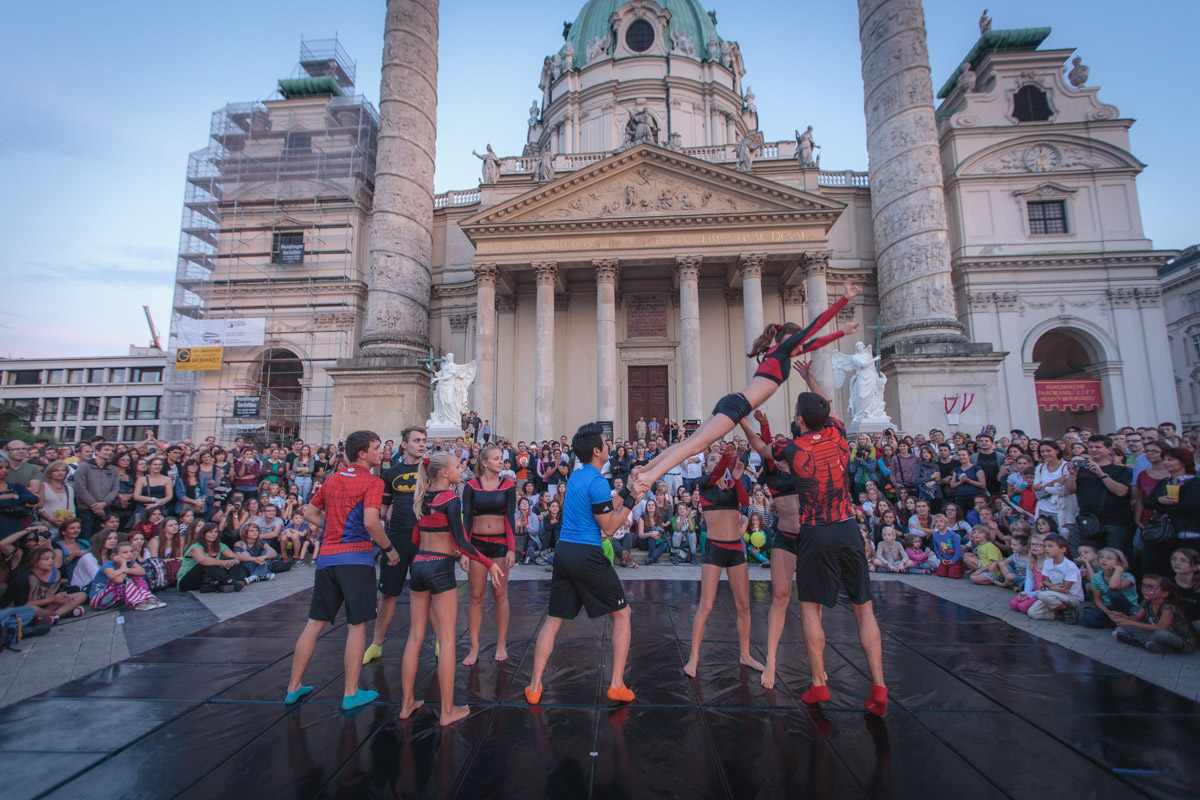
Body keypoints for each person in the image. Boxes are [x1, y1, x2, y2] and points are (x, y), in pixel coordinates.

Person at [631, 283, 862, 495]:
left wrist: (844, 332)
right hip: (739, 405)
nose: (801, 346)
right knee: (695, 446)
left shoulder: (777, 354)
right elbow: (815, 327)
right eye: (797, 341)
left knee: (688, 444)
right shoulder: (783, 351)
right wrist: (844, 299)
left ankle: (643, 470)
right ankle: (649, 477)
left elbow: (815, 342)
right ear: (788, 338)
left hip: (732, 400)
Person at [772, 361, 888, 715]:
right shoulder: (838, 434)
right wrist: (810, 378)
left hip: (815, 531)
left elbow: (767, 452)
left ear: (800, 420)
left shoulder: (792, 449)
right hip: (847, 526)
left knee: (810, 607)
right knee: (863, 607)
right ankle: (879, 687)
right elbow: (830, 407)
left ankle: (819, 683)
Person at [525, 423, 644, 706]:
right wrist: (632, 500)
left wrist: (626, 490)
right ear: (596, 450)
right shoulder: (598, 481)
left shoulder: (579, 475)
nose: (609, 445)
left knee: (553, 620)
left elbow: (601, 504)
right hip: (587, 554)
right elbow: (611, 526)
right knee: (622, 614)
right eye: (605, 442)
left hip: (563, 553)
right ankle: (616, 684)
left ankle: (534, 687)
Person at [286, 430, 400, 711]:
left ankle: (293, 687)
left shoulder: (332, 479)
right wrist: (389, 549)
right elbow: (372, 522)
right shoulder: (371, 482)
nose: (381, 452)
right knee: (357, 625)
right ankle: (351, 693)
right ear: (362, 453)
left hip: (327, 560)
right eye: (376, 448)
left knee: (314, 623)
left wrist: (334, 528)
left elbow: (310, 513)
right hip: (356, 560)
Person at [398, 452, 502, 725]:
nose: (461, 469)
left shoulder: (421, 498)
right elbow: (461, 542)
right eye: (457, 467)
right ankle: (447, 711)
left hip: (419, 565)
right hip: (440, 568)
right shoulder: (451, 499)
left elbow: (416, 536)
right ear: (443, 473)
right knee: (446, 640)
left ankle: (407, 703)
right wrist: (488, 563)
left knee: (414, 637)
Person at [682, 444, 763, 677]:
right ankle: (694, 657)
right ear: (706, 465)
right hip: (715, 549)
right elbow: (717, 473)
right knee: (706, 605)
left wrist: (737, 478)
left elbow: (745, 502)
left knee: (744, 605)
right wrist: (725, 459)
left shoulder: (731, 485)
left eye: (718, 458)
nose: (716, 462)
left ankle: (745, 654)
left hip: (736, 548)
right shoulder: (704, 485)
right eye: (712, 459)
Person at [364, 427, 426, 665]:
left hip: (425, 538)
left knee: (430, 593)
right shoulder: (391, 473)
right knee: (388, 594)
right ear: (404, 444)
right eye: (416, 441)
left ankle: (440, 641)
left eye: (424, 441)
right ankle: (376, 643)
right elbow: (380, 510)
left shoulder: (430, 471)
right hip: (397, 537)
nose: (421, 444)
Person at [461, 445, 517, 666]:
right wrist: (465, 551)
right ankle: (474, 646)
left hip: (501, 545)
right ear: (484, 463)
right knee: (475, 596)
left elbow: (510, 518)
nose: (500, 461)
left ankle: (501, 643)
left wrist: (512, 549)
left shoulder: (508, 486)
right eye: (495, 458)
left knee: (500, 595)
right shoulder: (471, 486)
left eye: (501, 458)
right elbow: (466, 519)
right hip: (477, 546)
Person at [1141, 447, 1200, 577]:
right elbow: (1147, 503)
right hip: (1164, 535)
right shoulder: (1163, 482)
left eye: (1171, 459)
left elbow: (1188, 506)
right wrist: (1159, 499)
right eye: (1165, 459)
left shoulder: (1194, 483)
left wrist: (1160, 507)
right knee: (1157, 567)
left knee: (1189, 571)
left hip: (1187, 534)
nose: (1166, 462)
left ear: (1183, 462)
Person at [1111, 575, 1197, 654]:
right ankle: (1154, 645)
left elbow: (1161, 628)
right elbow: (1137, 618)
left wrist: (1131, 623)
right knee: (1122, 625)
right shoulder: (1147, 602)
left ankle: (1138, 641)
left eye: (1151, 587)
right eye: (1144, 586)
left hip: (1182, 643)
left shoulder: (1168, 608)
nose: (1145, 590)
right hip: (1155, 632)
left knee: (1161, 635)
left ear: (1165, 593)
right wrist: (1123, 617)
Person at [10, 547, 88, 625]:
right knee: (31, 609)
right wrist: (51, 599)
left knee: (81, 595)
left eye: (52, 558)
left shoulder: (56, 573)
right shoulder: (25, 578)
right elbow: (23, 604)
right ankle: (63, 613)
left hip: (51, 604)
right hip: (33, 607)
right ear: (35, 563)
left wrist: (61, 597)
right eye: (46, 559)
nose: (51, 561)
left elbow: (55, 593)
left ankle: (54, 616)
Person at [1027, 534, 1084, 623]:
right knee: (1033, 613)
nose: (1046, 548)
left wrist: (1048, 585)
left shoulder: (1070, 566)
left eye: (1050, 546)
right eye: (1045, 546)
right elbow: (1046, 581)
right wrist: (1049, 585)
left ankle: (1068, 609)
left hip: (1071, 597)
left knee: (1042, 595)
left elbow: (1065, 589)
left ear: (1062, 550)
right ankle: (1062, 614)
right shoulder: (1048, 562)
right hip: (1053, 594)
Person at [1080, 547, 1138, 628]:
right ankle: (1113, 622)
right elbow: (1098, 599)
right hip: (1109, 606)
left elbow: (1113, 586)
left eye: (1109, 558)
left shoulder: (1128, 577)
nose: (1104, 560)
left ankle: (1125, 618)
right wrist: (1107, 612)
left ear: (1119, 562)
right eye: (1102, 557)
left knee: (1112, 592)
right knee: (1087, 619)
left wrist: (1119, 570)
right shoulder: (1096, 577)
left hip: (1127, 607)